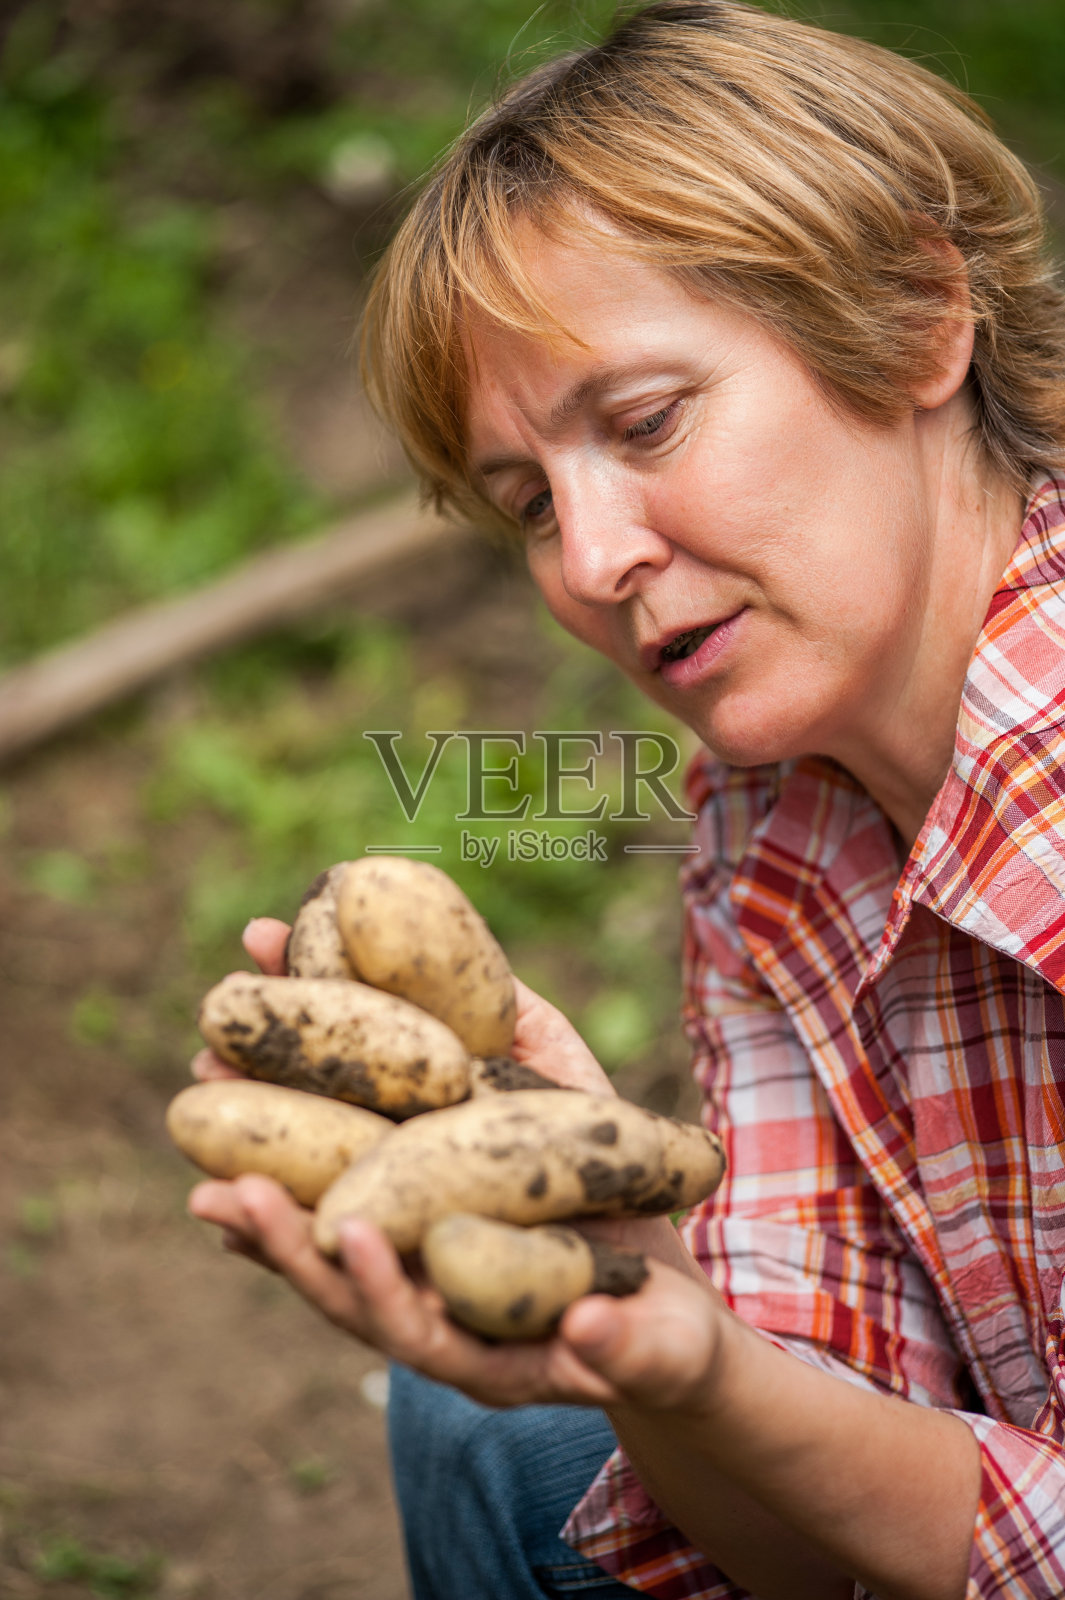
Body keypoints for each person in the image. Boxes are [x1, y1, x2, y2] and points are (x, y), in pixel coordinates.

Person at [188, 3, 1065, 1596]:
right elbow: (803, 1555)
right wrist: (655, 1316)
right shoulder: (762, 826)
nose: (591, 567)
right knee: (484, 1421)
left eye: (648, 420)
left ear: (922, 317)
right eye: (529, 503)